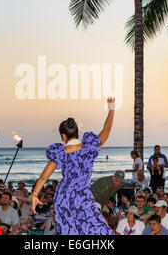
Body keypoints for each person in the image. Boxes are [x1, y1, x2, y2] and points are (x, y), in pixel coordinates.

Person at [31, 98, 116, 235]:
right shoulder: (89, 149)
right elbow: (107, 128)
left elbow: (42, 178)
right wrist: (111, 108)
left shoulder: (60, 153)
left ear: (63, 136)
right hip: (81, 198)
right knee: (100, 231)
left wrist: (35, 195)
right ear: (78, 133)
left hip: (63, 199)